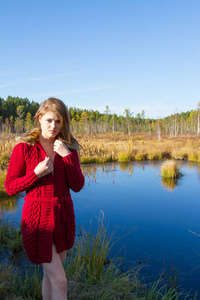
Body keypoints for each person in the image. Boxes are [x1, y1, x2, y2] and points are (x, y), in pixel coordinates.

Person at [5, 97, 85, 300]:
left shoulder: (68, 149)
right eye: (49, 120)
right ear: (39, 118)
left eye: (58, 121)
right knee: (61, 281)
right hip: (38, 221)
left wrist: (67, 156)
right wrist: (35, 174)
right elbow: (10, 187)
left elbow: (77, 186)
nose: (53, 126)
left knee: (50, 278)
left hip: (63, 217)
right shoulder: (24, 149)